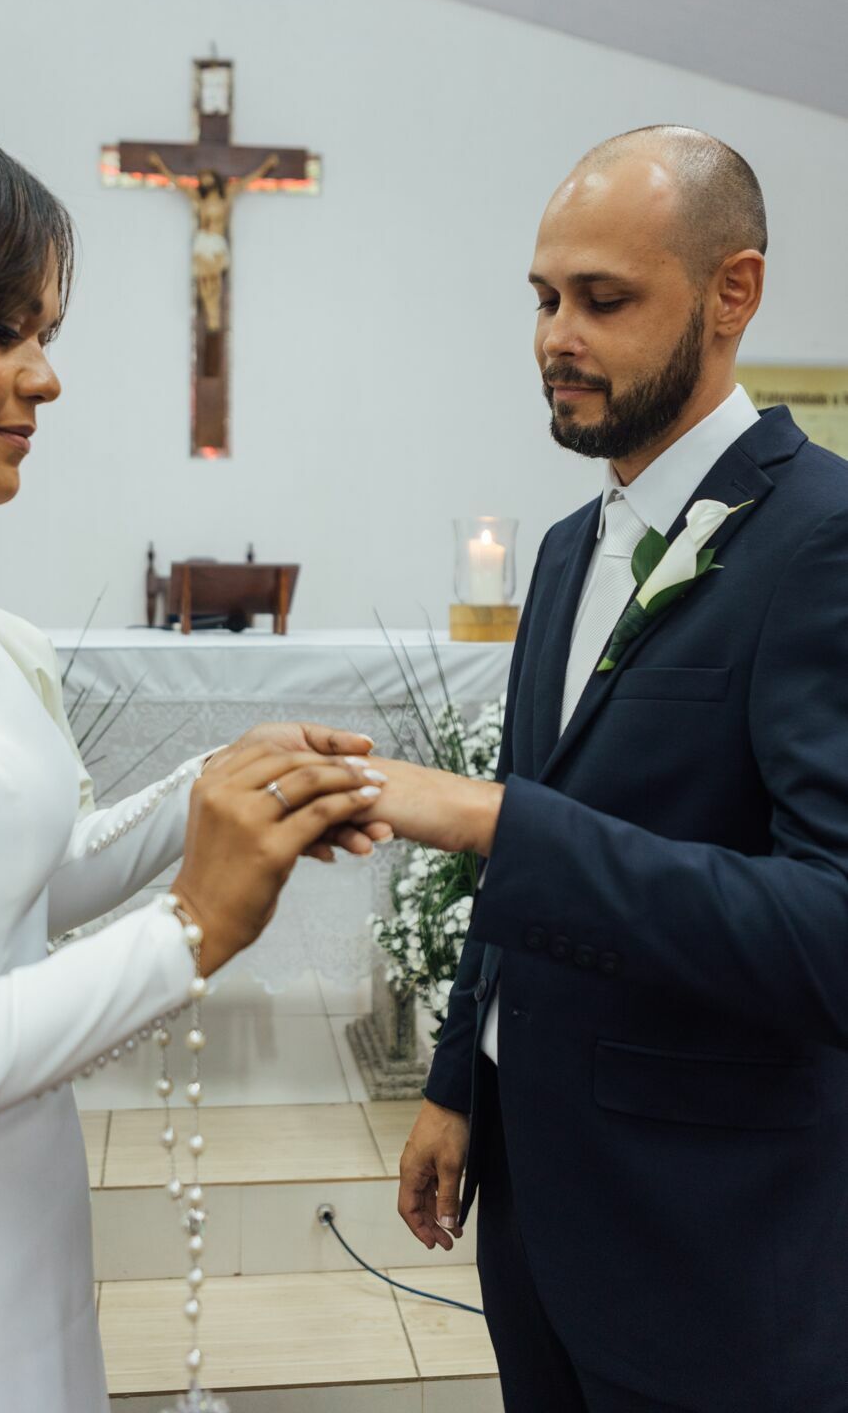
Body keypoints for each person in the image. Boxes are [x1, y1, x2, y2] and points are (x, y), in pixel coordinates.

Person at [0, 33, 388, 1413]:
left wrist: (218, 788)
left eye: (44, 333)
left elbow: (12, 876)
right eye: (1, 328)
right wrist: (180, 938)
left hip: (8, 1252)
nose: (42, 378)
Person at [359, 127, 848, 1411]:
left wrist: (490, 818)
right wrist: (460, 1083)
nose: (552, 336)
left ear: (730, 294)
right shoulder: (573, 547)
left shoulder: (823, 541)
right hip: (537, 1207)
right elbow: (541, 835)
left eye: (602, 300)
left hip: (712, 1235)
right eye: (542, 297)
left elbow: (828, 931)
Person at [147, 150, 279, 330]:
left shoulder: (227, 196)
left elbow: (249, 180)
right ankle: (210, 319)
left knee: (214, 283)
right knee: (203, 284)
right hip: (203, 243)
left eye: (207, 178)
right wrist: (158, 165)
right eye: (202, 179)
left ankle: (214, 319)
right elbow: (176, 183)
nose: (204, 181)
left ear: (215, 180)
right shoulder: (199, 200)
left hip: (216, 243)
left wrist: (268, 165)